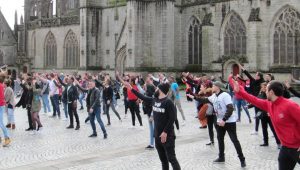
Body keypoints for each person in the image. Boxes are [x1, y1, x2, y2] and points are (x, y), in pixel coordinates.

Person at [233, 79, 300, 170]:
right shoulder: (269, 104)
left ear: (271, 92)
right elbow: (254, 100)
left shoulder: (290, 105)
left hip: (297, 147)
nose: (264, 91)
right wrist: (240, 91)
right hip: (285, 148)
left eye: (267, 89)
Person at [124, 80, 181, 170]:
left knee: (172, 159)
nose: (155, 90)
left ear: (161, 90)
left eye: (157, 88)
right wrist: (131, 89)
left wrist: (165, 132)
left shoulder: (168, 102)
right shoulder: (154, 100)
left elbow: (172, 118)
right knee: (163, 161)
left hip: (168, 137)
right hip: (157, 136)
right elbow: (143, 97)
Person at [188, 81, 246, 167]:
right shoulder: (214, 96)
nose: (212, 87)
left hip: (229, 121)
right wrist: (194, 97)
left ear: (218, 87)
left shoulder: (225, 95)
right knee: (220, 139)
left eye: (214, 86)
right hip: (219, 121)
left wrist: (224, 119)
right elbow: (204, 99)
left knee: (234, 140)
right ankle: (221, 157)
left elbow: (230, 108)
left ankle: (242, 159)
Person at [253, 82, 280, 148]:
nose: (262, 88)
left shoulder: (268, 95)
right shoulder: (261, 93)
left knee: (273, 129)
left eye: (264, 87)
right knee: (264, 129)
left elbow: (264, 102)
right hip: (263, 114)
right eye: (262, 87)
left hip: (268, 114)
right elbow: (257, 101)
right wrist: (249, 106)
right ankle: (265, 142)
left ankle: (279, 143)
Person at [0, 74, 11, 146]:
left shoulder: (0, 86)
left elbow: (1, 97)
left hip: (0, 105)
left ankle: (7, 138)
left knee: (0, 123)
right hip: (1, 105)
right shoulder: (1, 85)